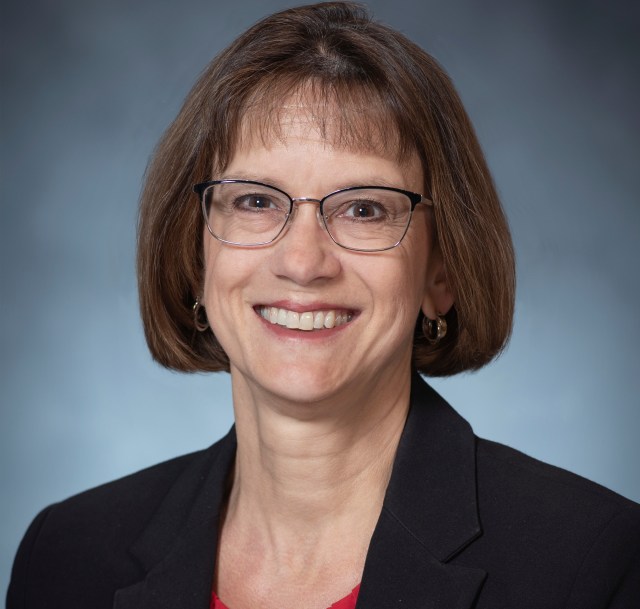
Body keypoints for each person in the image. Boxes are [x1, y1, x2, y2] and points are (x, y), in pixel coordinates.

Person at [7, 2, 640, 608]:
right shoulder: (66, 555)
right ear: (195, 257)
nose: (304, 262)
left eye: (364, 208)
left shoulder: (591, 561)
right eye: (255, 201)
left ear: (441, 272)